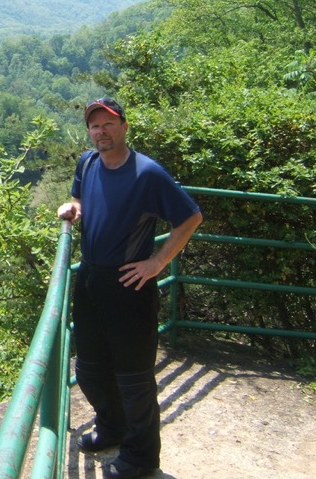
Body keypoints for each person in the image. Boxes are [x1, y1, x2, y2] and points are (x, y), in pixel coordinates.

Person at [57, 97, 203, 479]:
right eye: (94, 126)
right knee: (88, 369)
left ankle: (140, 459)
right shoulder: (87, 164)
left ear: (123, 126)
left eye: (107, 124)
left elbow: (190, 217)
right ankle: (112, 428)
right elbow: (81, 198)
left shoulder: (147, 173)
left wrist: (157, 262)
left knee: (134, 379)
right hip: (90, 280)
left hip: (129, 285)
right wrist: (73, 209)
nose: (100, 131)